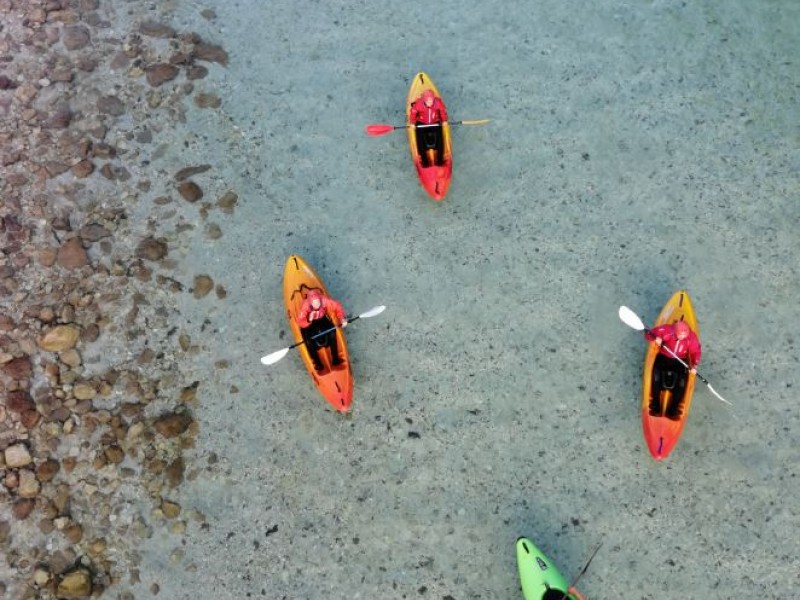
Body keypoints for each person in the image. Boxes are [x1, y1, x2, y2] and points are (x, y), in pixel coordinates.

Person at [644, 320, 702, 418]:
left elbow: (696, 352)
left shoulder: (691, 338)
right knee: (656, 377)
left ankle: (673, 409)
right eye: (680, 336)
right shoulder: (665, 330)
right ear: (675, 331)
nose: (683, 338)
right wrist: (655, 338)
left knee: (682, 383)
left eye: (685, 336)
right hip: (663, 356)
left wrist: (694, 365)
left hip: (680, 360)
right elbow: (648, 335)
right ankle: (655, 405)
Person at [296, 289, 347, 373]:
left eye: (318, 301)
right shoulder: (305, 306)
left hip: (322, 319)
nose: (317, 304)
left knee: (332, 331)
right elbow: (300, 322)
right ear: (310, 302)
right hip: (310, 322)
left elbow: (337, 306)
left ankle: (335, 359)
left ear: (319, 299)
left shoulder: (323, 300)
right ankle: (318, 363)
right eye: (314, 302)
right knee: (308, 341)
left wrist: (342, 318)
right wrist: (309, 319)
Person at [409, 89, 448, 167]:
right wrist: (412, 123)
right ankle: (424, 161)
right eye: (428, 101)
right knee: (419, 139)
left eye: (431, 101)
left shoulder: (438, 102)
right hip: (422, 123)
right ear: (424, 100)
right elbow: (413, 113)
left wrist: (444, 121)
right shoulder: (418, 104)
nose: (430, 103)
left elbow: (443, 111)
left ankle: (440, 160)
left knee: (440, 139)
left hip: (435, 122)